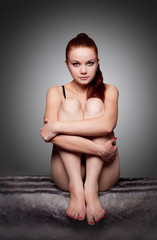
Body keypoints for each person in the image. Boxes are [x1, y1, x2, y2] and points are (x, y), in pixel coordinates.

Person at [40, 33, 120, 226]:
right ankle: (77, 188)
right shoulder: (56, 92)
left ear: (98, 62)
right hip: (68, 175)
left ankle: (90, 188)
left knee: (94, 105)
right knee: (70, 106)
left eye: (90, 63)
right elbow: (53, 139)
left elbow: (107, 126)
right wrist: (99, 150)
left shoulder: (110, 90)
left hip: (103, 173)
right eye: (76, 64)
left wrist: (57, 126)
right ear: (67, 64)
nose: (83, 71)